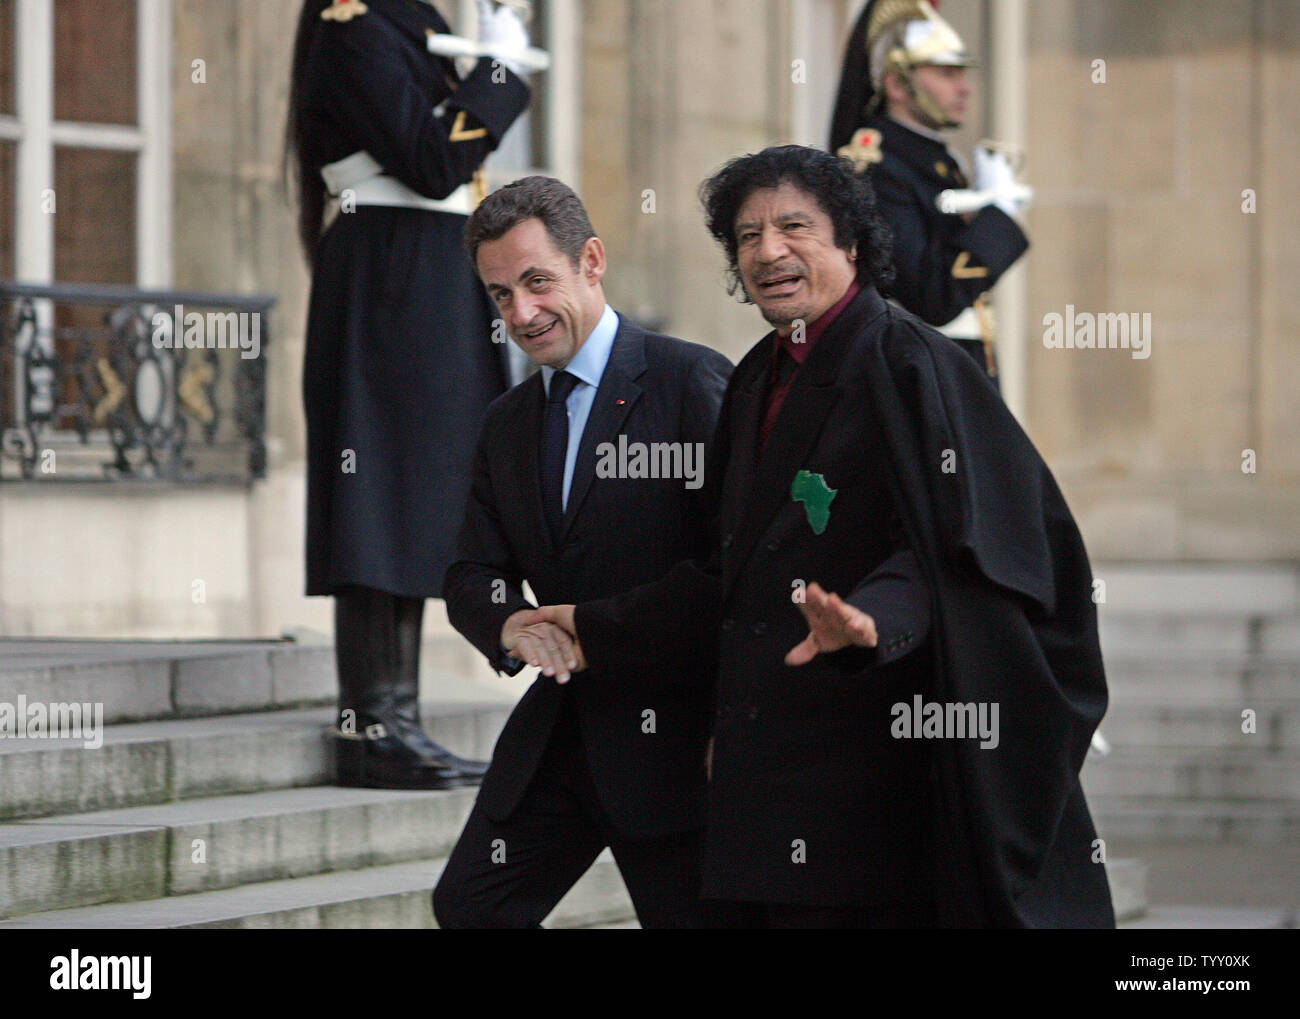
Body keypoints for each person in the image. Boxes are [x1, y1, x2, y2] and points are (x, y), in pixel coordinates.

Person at [535, 145, 1115, 928]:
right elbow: (724, 573)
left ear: (851, 243)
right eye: (746, 236)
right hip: (766, 788)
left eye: (793, 226)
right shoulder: (752, 379)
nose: (767, 250)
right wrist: (596, 622)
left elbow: (964, 555)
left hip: (876, 791)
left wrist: (874, 620)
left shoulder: (916, 365)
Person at [430, 176, 733, 928]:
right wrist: (509, 624)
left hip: (677, 744)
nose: (521, 313)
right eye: (500, 295)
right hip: (560, 740)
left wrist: (597, 628)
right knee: (471, 907)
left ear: (591, 261)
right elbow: (472, 569)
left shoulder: (687, 381)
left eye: (537, 282)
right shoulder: (506, 423)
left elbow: (734, 569)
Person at [285, 0, 531, 788]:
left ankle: (401, 718)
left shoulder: (408, 23)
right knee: (377, 493)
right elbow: (432, 159)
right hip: (388, 273)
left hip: (425, 271)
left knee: (420, 496)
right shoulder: (352, 25)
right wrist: (499, 75)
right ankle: (371, 724)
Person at [829, 0, 1028, 385]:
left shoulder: (932, 156)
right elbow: (934, 296)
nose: (963, 87)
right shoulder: (876, 165)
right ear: (896, 83)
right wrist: (996, 217)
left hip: (956, 363)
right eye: (946, 73)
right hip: (915, 373)